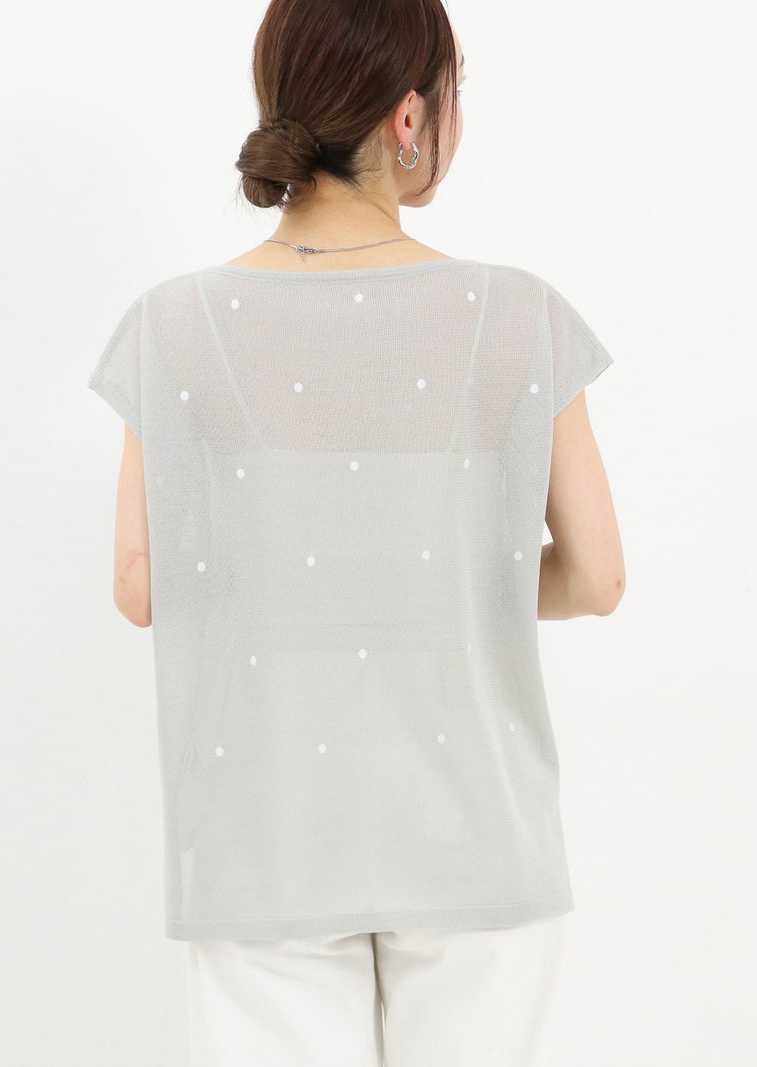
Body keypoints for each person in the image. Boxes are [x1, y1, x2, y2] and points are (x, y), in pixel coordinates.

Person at [87, 0, 625, 1064]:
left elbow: (142, 585)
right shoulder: (515, 315)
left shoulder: (173, 325)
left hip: (263, 835)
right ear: (409, 116)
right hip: (477, 833)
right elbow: (598, 576)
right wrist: (442, 575)